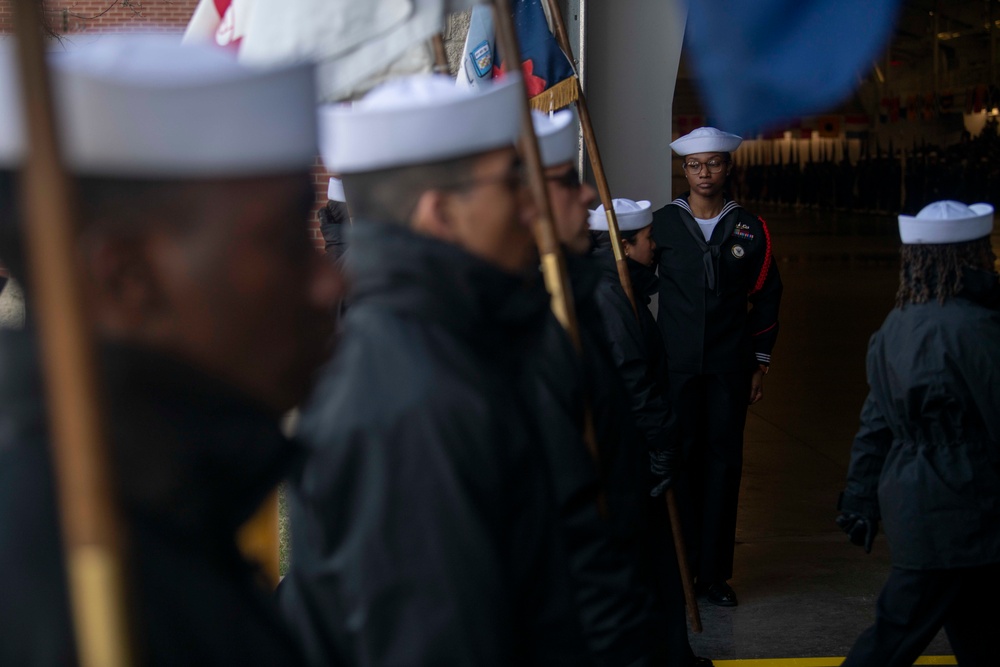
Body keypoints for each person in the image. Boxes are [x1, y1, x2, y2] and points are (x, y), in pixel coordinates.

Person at [0, 35, 341, 665]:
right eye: (284, 241)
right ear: (127, 278)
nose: (330, 282)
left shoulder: (170, 505)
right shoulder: (58, 568)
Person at [278, 74, 591, 666]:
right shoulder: (414, 399)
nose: (531, 206)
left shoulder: (446, 348)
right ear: (440, 213)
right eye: (510, 183)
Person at [837, 200, 1000, 667]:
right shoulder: (976, 327)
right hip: (962, 506)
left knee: (982, 632)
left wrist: (859, 496)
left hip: (916, 502)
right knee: (892, 639)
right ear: (969, 257)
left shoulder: (896, 325)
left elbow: (875, 421)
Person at [651, 126, 782, 607]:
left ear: (729, 168)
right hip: (676, 368)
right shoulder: (661, 224)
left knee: (723, 467)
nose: (704, 173)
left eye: (714, 163)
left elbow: (768, 298)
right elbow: (633, 285)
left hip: (730, 368)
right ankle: (676, 570)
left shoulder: (750, 227)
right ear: (683, 170)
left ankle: (711, 575)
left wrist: (759, 365)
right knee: (675, 465)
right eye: (694, 165)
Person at [588, 198, 705, 666]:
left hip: (633, 453)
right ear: (624, 245)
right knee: (652, 561)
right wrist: (661, 443)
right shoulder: (611, 298)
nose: (655, 248)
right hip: (631, 456)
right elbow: (634, 379)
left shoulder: (619, 289)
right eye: (648, 240)